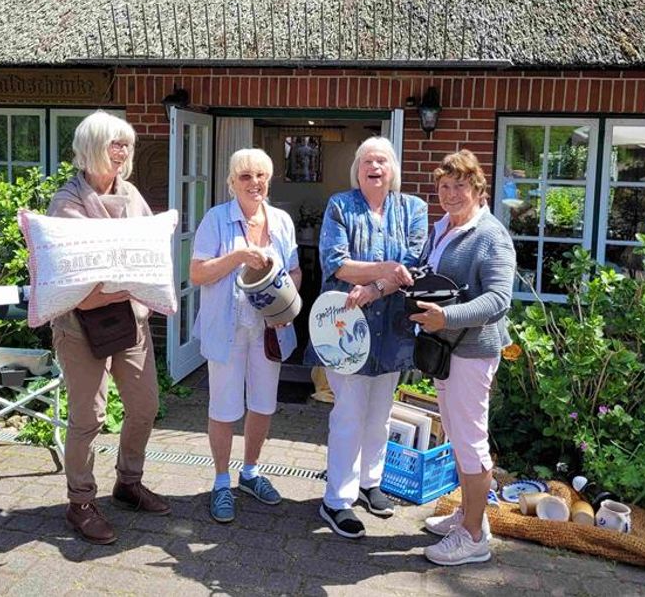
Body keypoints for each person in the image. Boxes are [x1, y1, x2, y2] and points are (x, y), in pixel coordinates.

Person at [48, 111, 170, 545]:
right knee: (88, 417)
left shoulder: (131, 195)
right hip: (79, 327)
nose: (122, 152)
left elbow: (146, 255)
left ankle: (128, 483)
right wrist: (125, 275)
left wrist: (124, 276)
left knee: (145, 406)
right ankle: (80, 502)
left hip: (128, 320)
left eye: (126, 144)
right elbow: (80, 285)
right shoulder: (67, 203)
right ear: (91, 147)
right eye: (114, 143)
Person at [314, 136, 428, 538]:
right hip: (347, 327)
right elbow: (336, 263)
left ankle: (369, 482)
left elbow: (412, 266)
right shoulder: (340, 206)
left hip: (393, 328)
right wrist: (385, 269)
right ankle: (337, 500)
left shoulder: (413, 208)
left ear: (392, 169)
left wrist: (376, 288)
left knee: (380, 413)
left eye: (382, 161)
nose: (374, 167)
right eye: (367, 161)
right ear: (357, 170)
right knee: (348, 414)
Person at [409, 149, 516, 566]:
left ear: (478, 188)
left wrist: (446, 317)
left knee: (471, 444)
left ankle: (473, 538)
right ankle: (469, 516)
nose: (450, 194)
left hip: (471, 352)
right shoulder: (442, 227)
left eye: (459, 186)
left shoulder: (490, 235)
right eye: (444, 186)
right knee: (457, 435)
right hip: (446, 349)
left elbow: (499, 300)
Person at [190, 148, 302, 523]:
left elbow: (295, 272)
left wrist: (286, 306)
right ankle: (222, 481)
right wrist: (238, 257)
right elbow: (197, 273)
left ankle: (250, 473)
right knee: (224, 407)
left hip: (268, 329)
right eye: (246, 176)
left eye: (261, 176)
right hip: (228, 327)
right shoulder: (216, 219)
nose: (255, 183)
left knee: (263, 404)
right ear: (232, 182)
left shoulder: (281, 221)